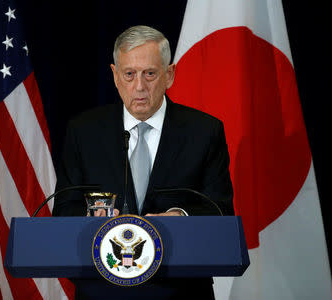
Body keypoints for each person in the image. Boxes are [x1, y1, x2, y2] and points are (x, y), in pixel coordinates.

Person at [53, 25, 234, 299]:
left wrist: (182, 218)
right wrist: (92, 218)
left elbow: (220, 211)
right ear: (115, 76)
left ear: (169, 75)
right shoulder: (84, 132)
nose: (139, 86)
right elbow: (65, 210)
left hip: (180, 290)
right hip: (103, 290)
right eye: (129, 74)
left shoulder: (204, 132)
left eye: (149, 74)